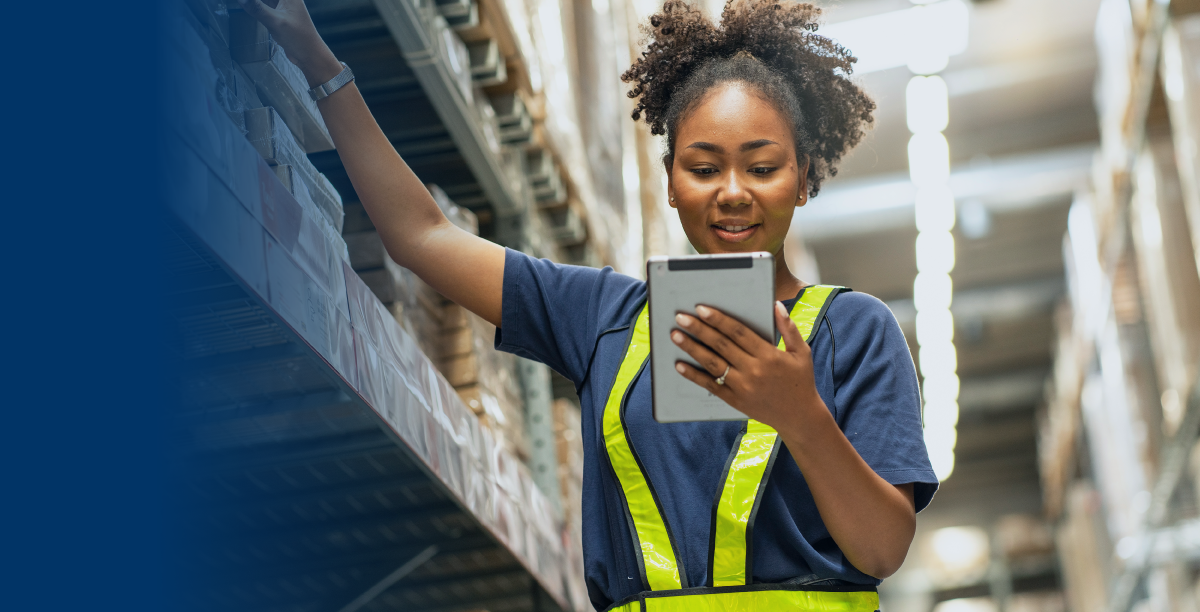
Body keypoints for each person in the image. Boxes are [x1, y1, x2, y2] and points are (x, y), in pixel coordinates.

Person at [236, 0, 938, 609]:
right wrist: (314, 54)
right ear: (669, 182)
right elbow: (421, 235)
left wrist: (801, 416)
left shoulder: (855, 331)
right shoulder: (601, 318)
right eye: (702, 167)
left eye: (762, 167)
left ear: (805, 178)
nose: (731, 191)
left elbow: (881, 550)